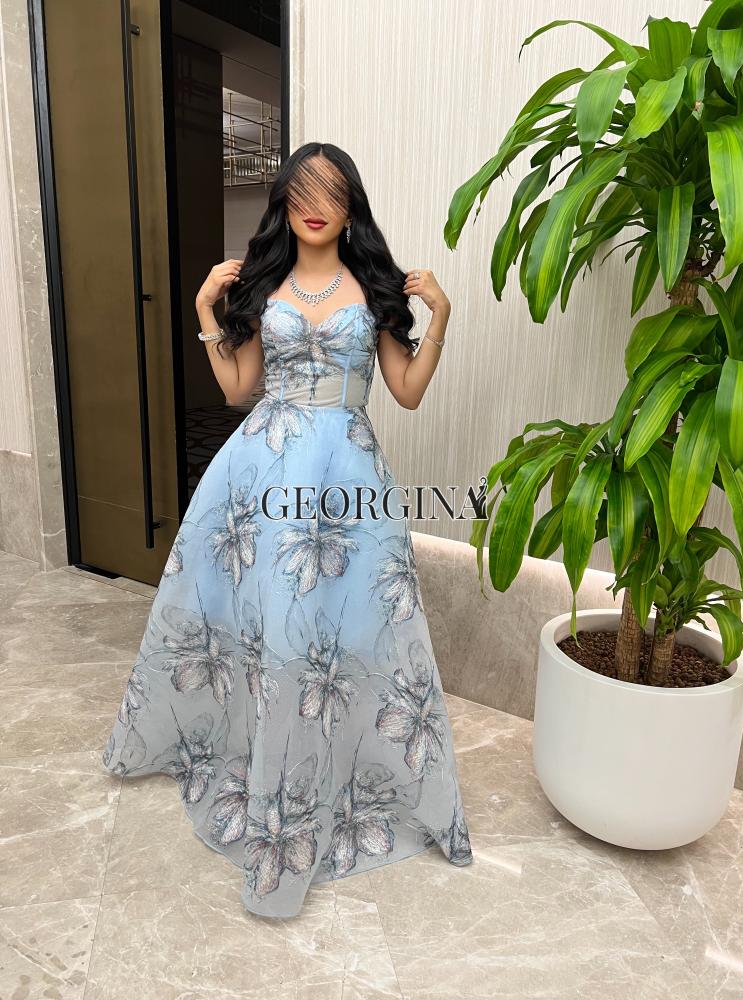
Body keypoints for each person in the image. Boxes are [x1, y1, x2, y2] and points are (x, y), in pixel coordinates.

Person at [102, 141, 473, 919]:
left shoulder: (374, 290)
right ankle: (266, 766)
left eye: (331, 192)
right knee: (270, 629)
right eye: (301, 191)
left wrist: (441, 316)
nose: (315, 206)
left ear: (350, 206)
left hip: (345, 478)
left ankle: (341, 770)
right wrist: (204, 312)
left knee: (347, 632)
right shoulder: (262, 285)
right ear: (284, 201)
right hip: (259, 473)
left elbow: (405, 392)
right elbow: (238, 387)